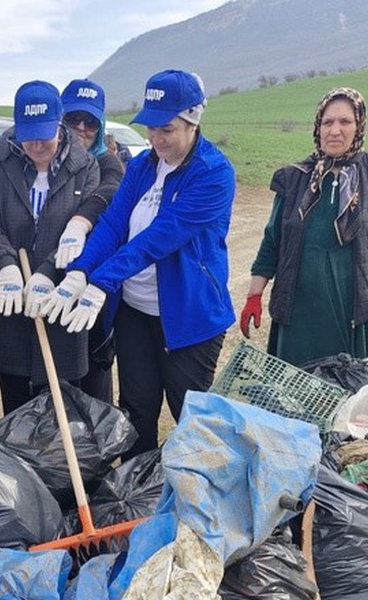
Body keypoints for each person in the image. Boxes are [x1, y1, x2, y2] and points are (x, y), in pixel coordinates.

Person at [39, 69, 236, 460]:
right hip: (135, 313)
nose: (156, 139)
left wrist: (101, 283)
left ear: (193, 120)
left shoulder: (214, 174)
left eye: (167, 129)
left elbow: (158, 238)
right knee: (137, 412)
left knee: (190, 417)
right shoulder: (144, 165)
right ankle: (135, 499)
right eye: (150, 128)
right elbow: (114, 224)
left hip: (188, 318)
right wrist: (80, 272)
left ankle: (195, 503)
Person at [240, 87, 368, 366]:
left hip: (353, 312)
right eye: (327, 122)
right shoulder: (293, 178)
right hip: (298, 314)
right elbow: (273, 241)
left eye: (345, 122)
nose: (335, 130)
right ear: (317, 127)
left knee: (352, 399)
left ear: (359, 126)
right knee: (293, 396)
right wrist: (254, 295)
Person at [0, 80, 101, 414]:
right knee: (14, 403)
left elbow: (86, 231)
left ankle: (54, 466)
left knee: (59, 404)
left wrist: (46, 271)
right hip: (8, 294)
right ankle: (18, 463)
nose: (37, 145)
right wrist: (7, 264)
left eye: (45, 134)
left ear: (59, 123)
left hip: (58, 298)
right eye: (29, 135)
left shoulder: (85, 166)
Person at [59, 78, 125, 404]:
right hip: (56, 280)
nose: (81, 128)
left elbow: (111, 190)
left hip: (95, 283)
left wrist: (80, 221)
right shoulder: (51, 162)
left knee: (94, 370)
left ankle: (98, 450)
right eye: (73, 120)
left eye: (90, 122)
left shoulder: (107, 161)